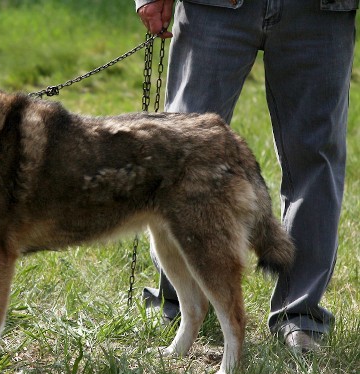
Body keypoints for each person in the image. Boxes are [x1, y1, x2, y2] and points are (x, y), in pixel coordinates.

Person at [135, 0, 357, 352]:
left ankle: (301, 315)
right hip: (212, 7)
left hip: (320, 10)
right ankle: (177, 302)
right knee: (181, 153)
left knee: (316, 156)